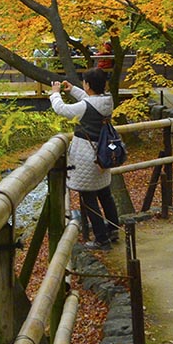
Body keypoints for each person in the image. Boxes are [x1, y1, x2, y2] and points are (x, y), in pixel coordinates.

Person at [50, 67, 121, 249]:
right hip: (102, 156)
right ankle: (113, 230)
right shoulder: (107, 100)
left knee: (89, 199)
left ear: (88, 85)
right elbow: (88, 101)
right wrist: (73, 90)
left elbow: (61, 109)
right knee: (105, 194)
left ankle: (101, 239)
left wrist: (55, 93)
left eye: (84, 83)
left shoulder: (86, 107)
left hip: (87, 157)